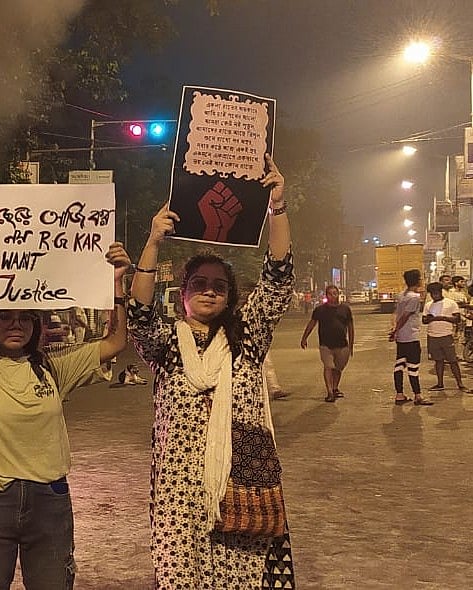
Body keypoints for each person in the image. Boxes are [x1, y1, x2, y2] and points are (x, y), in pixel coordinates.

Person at [0, 241, 131, 590]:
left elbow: (115, 343)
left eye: (24, 317)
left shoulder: (54, 366)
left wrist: (116, 283)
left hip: (50, 501)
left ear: (35, 323)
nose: (15, 325)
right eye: (4, 316)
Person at [127, 154, 294, 588]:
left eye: (219, 286)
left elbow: (277, 281)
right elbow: (139, 313)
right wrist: (152, 243)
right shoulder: (166, 346)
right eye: (199, 284)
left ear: (230, 296)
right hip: (178, 495)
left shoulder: (247, 341)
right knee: (180, 580)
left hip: (239, 486)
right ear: (182, 294)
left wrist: (277, 207)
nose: (209, 291)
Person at [300, 285, 354, 402]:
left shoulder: (345, 309)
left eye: (335, 293)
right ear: (326, 295)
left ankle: (335, 388)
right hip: (325, 345)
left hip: (342, 345)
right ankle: (329, 392)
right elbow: (312, 324)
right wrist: (304, 338)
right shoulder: (320, 310)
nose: (333, 296)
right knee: (328, 367)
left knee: (338, 369)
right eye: (330, 294)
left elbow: (350, 327)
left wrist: (351, 345)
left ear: (338, 294)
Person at [389, 269, 432, 406]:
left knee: (399, 365)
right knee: (413, 367)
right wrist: (396, 329)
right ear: (418, 280)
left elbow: (396, 313)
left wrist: (394, 330)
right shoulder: (414, 297)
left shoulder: (401, 295)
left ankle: (399, 394)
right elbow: (405, 316)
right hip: (411, 337)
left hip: (402, 338)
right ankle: (418, 395)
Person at [422, 281, 468, 393]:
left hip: (446, 335)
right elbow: (424, 320)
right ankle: (440, 383)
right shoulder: (428, 305)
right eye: (432, 293)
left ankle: (460, 383)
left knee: (453, 361)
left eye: (436, 293)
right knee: (438, 361)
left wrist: (442, 318)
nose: (434, 295)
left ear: (440, 291)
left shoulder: (450, 303)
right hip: (432, 336)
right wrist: (431, 318)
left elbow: (457, 319)